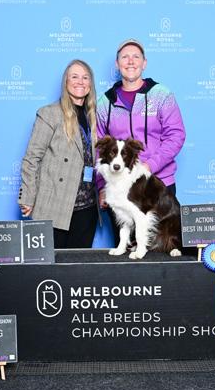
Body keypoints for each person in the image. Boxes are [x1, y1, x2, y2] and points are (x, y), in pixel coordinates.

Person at [96, 39, 186, 243]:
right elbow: (99, 149)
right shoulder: (105, 102)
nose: (130, 61)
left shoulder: (161, 95)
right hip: (119, 188)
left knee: (167, 245)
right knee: (127, 248)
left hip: (158, 186)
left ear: (144, 63)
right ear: (117, 64)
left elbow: (176, 135)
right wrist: (102, 186)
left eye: (136, 57)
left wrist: (149, 165)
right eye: (125, 57)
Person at [18, 59, 99, 248]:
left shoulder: (95, 116)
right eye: (74, 76)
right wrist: (27, 198)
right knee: (52, 264)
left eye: (85, 77)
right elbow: (31, 159)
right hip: (55, 205)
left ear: (90, 84)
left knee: (80, 264)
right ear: (66, 81)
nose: (80, 82)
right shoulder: (49, 114)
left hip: (87, 208)